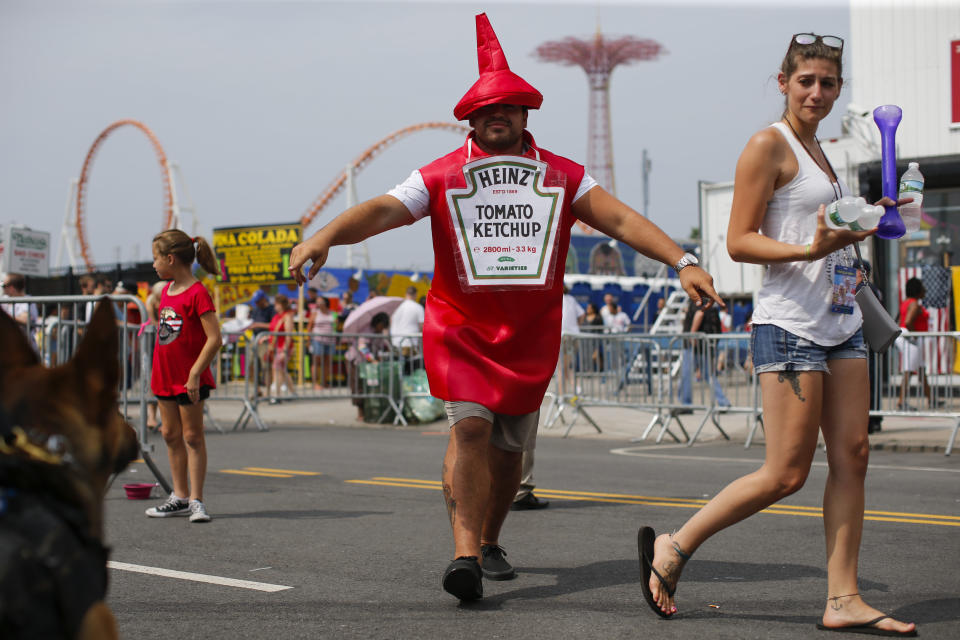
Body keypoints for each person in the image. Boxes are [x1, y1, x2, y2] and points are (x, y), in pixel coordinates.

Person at [288, 13, 722, 603]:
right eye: (484, 111)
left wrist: (683, 259)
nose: (497, 117)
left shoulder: (563, 176)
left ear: (525, 115)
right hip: (460, 330)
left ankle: (490, 540)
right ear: (469, 119)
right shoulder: (439, 175)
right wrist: (324, 237)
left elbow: (618, 219)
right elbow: (383, 210)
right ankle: (464, 555)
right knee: (470, 430)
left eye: (509, 109)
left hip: (529, 337)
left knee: (510, 451)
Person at [639, 33, 916, 636]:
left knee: (854, 457)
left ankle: (843, 599)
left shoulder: (823, 153)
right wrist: (810, 247)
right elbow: (740, 241)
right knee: (785, 474)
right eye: (806, 81)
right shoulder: (769, 144)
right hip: (790, 326)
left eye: (829, 83)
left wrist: (863, 226)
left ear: (840, 89)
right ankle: (674, 546)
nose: (817, 91)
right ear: (785, 83)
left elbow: (823, 235)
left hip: (840, 322)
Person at [145, 229, 221, 524]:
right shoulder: (166, 291)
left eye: (156, 259)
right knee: (169, 434)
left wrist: (194, 374)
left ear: (170, 258)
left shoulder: (198, 292)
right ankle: (178, 495)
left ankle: (196, 500)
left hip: (189, 379)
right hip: (164, 376)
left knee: (192, 437)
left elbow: (214, 338)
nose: (153, 265)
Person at [895, 277, 933, 411]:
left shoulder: (906, 302)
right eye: (922, 287)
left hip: (906, 337)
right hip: (911, 339)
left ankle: (931, 399)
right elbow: (909, 322)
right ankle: (901, 401)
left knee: (921, 370)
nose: (925, 290)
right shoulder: (915, 304)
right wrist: (916, 336)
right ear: (918, 290)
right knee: (909, 370)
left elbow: (898, 320)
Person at [267, 293, 296, 401]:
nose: (275, 305)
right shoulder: (276, 316)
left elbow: (288, 335)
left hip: (284, 347)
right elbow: (273, 330)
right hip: (276, 347)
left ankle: (276, 395)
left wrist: (285, 350)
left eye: (277, 303)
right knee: (282, 370)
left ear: (281, 304)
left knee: (277, 368)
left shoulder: (287, 316)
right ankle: (293, 393)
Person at [390, 285, 425, 362]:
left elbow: (391, 321)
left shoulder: (397, 307)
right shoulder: (418, 307)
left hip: (395, 343)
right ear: (415, 295)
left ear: (406, 294)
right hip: (409, 344)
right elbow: (422, 326)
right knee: (409, 370)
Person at [309, 295, 337, 389]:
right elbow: (309, 327)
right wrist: (308, 341)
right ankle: (315, 383)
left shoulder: (333, 313)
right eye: (317, 302)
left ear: (326, 303)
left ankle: (324, 382)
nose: (318, 304)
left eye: (320, 302)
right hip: (317, 340)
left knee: (327, 362)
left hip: (330, 341)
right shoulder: (315, 313)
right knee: (316, 361)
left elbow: (335, 326)